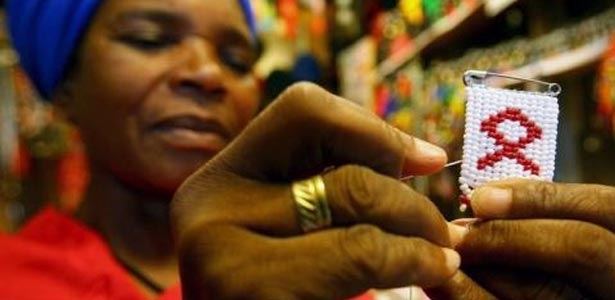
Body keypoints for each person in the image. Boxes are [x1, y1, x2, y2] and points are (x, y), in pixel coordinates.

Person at [2, 1, 614, 300]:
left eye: (238, 59)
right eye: (149, 39)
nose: (206, 75)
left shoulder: (338, 267)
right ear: (64, 86)